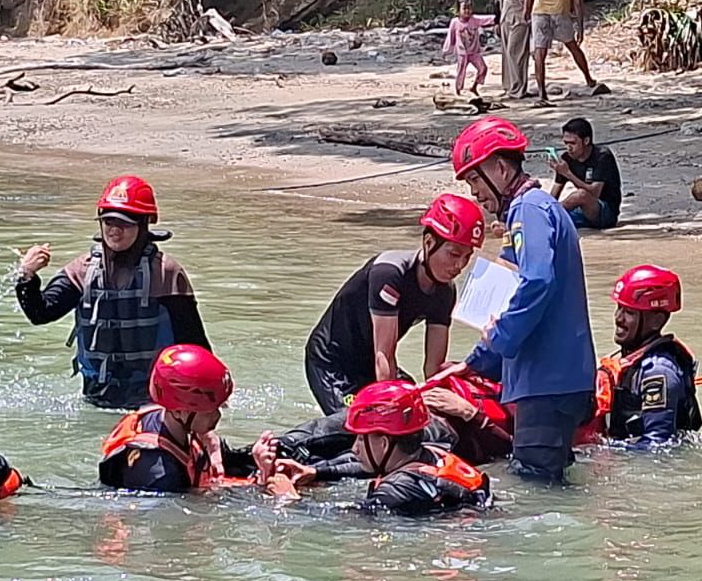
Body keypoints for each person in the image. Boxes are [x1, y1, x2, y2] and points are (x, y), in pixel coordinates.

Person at [453, 117, 596, 482]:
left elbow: (537, 282)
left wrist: (500, 338)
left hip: (547, 382)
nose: (474, 194)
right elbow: (506, 295)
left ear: (500, 169)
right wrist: (474, 363)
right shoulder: (530, 211)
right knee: (548, 483)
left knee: (537, 490)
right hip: (555, 379)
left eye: (473, 179)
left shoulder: (529, 210)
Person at [16, 175, 210, 409]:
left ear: (144, 223)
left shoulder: (165, 273)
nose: (115, 230)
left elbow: (194, 341)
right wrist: (27, 275)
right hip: (96, 398)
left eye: (125, 223)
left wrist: (208, 396)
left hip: (153, 403)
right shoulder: (83, 270)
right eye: (108, 222)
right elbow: (40, 313)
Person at [304, 194, 485, 414]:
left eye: (467, 257)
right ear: (428, 243)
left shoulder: (445, 293)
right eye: (454, 254)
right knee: (359, 424)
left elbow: (432, 369)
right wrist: (389, 410)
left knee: (416, 413)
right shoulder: (389, 274)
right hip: (333, 363)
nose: (460, 266)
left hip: (371, 362)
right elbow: (384, 354)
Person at [260, 381, 492, 516]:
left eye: (361, 439)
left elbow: (338, 523)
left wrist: (290, 500)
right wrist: (316, 472)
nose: (355, 447)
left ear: (383, 443)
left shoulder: (394, 492)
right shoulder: (432, 453)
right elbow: (366, 468)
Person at [98, 344, 256, 492]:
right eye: (208, 412)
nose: (217, 416)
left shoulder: (165, 415)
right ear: (180, 411)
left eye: (219, 408)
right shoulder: (163, 475)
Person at [593, 265, 702, 450]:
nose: (618, 318)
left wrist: (598, 453)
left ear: (656, 321)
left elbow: (657, 446)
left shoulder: (658, 372)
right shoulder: (633, 360)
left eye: (629, 312)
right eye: (619, 308)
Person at [522, 0, 601, 107]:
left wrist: (526, 7)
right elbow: (578, 3)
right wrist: (580, 26)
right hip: (560, 13)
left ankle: (542, 92)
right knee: (572, 46)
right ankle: (589, 79)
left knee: (540, 51)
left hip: (539, 11)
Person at [546, 117, 622, 229]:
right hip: (581, 211)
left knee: (580, 195)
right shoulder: (567, 158)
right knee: (554, 221)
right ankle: (546, 217)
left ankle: (547, 215)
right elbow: (555, 192)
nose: (569, 148)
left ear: (586, 141)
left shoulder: (602, 156)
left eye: (573, 143)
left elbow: (594, 192)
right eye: (566, 143)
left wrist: (568, 173)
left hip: (605, 211)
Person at [494, 0, 532, 98]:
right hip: (505, 14)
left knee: (516, 51)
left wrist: (527, 11)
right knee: (506, 52)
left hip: (520, 14)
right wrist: (496, 20)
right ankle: (509, 87)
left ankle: (519, 88)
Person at [443, 0, 496, 96]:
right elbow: (451, 37)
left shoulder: (474, 20)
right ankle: (458, 91)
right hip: (462, 53)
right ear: (458, 11)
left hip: (474, 52)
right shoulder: (455, 22)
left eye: (469, 8)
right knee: (461, 72)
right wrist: (447, 50)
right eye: (464, 8)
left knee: (483, 68)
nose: (467, 11)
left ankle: (474, 87)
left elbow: (486, 19)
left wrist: (497, 18)